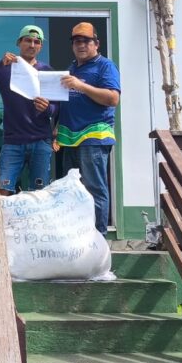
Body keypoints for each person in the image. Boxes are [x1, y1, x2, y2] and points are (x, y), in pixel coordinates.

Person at [44, 22, 120, 235]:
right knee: (73, 190)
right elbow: (65, 102)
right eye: (77, 41)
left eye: (86, 41)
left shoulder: (105, 66)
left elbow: (113, 99)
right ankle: (79, 236)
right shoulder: (72, 68)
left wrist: (81, 86)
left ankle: (99, 240)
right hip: (70, 138)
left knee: (94, 189)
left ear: (97, 43)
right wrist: (56, 128)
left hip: (94, 136)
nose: (81, 45)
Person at [0, 25, 56, 195]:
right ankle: (4, 223)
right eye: (28, 40)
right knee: (3, 192)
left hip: (41, 141)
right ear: (18, 43)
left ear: (41, 46)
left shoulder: (47, 71)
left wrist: (47, 108)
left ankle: (34, 223)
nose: (32, 45)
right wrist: (0, 64)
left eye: (37, 42)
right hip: (13, 142)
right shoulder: (5, 68)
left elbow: (58, 107)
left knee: (40, 194)